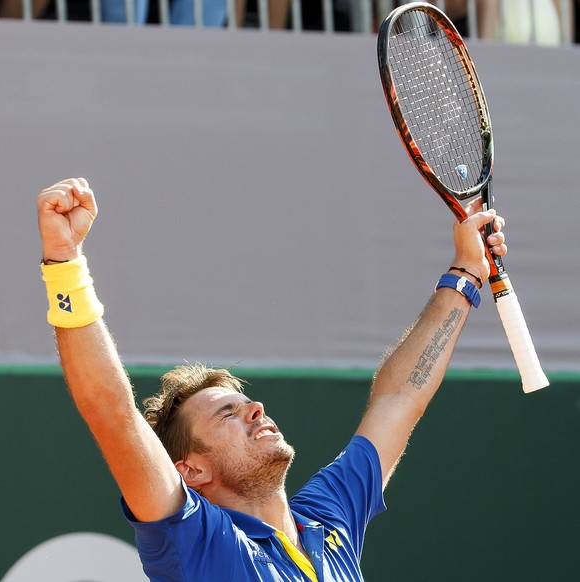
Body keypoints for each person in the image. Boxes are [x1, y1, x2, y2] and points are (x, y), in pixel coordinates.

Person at [37, 177, 507, 581]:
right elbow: (112, 414)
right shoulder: (197, 543)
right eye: (227, 414)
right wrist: (65, 264)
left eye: (245, 404)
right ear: (192, 470)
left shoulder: (328, 518)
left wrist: (467, 270)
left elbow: (399, 398)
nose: (255, 410)